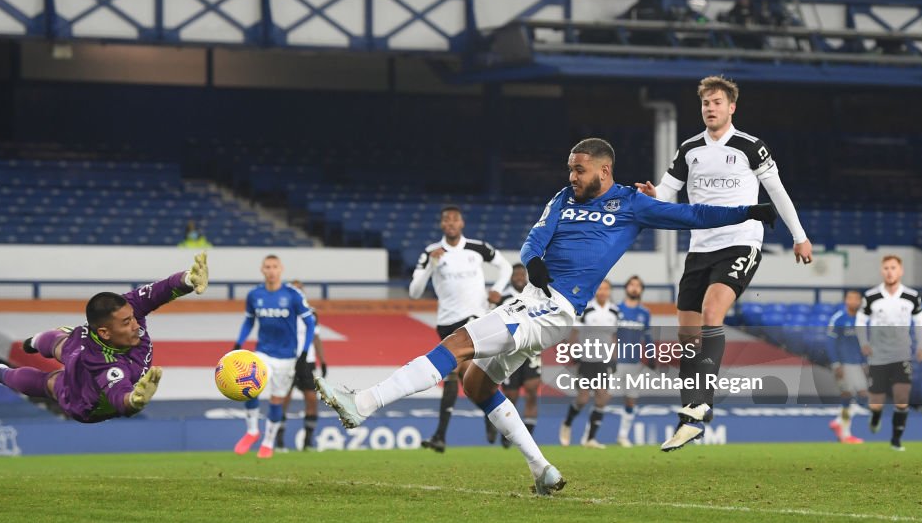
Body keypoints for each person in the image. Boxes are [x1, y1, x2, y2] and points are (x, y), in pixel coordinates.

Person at [316, 137, 778, 494]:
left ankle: (365, 403)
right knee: (477, 382)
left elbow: (693, 215)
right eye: (570, 169)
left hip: (551, 306)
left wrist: (751, 211)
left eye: (580, 170)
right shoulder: (562, 198)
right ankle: (543, 470)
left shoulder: (632, 205)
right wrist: (533, 262)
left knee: (455, 345)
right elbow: (534, 239)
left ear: (604, 169)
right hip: (533, 299)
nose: (572, 176)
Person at [635, 75, 813, 452]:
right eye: (705, 103)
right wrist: (653, 196)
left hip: (741, 242)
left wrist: (799, 235)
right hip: (700, 248)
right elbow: (668, 192)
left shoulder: (751, 147)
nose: (710, 109)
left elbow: (776, 191)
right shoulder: (690, 149)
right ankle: (690, 415)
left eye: (717, 102)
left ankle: (701, 403)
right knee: (686, 335)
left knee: (712, 312)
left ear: (731, 107)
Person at [0, 253, 209, 423]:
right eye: (126, 323)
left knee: (59, 342)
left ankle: (31, 343)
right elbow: (119, 397)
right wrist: (134, 401)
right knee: (49, 382)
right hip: (85, 400)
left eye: (133, 318)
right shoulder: (106, 364)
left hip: (79, 342)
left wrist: (188, 279)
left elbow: (159, 291)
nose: (136, 324)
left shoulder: (127, 307)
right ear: (105, 332)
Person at [409, 205, 513, 453]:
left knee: (455, 374)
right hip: (446, 322)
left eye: (455, 219)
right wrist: (432, 266)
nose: (451, 223)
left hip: (474, 319)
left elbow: (506, 267)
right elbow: (414, 292)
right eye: (446, 220)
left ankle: (440, 437)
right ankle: (492, 418)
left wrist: (497, 288)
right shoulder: (431, 253)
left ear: (462, 223)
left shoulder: (477, 248)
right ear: (442, 225)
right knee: (467, 379)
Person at [232, 255, 316, 459]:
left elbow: (310, 323)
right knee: (249, 387)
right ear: (262, 270)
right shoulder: (254, 295)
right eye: (267, 267)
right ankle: (252, 431)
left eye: (274, 267)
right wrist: (238, 344)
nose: (271, 270)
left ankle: (268, 442)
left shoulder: (293, 294)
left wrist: (304, 354)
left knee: (276, 401)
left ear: (281, 269)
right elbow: (249, 322)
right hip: (263, 353)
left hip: (287, 357)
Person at [856, 255, 922, 451]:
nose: (890, 271)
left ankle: (896, 440)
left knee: (902, 398)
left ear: (900, 270)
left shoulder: (912, 296)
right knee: (877, 402)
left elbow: (920, 322)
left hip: (901, 354)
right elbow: (861, 321)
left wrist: (921, 346)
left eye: (893, 268)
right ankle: (876, 415)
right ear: (882, 271)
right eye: (886, 268)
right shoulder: (871, 296)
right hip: (878, 356)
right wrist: (864, 343)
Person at [560, 279, 619, 449]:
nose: (603, 292)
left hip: (603, 361)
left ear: (610, 291)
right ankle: (567, 422)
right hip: (586, 359)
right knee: (583, 398)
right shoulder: (587, 309)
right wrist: (574, 353)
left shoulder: (614, 311)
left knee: (602, 398)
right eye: (600, 288)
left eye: (606, 289)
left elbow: (613, 337)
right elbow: (574, 333)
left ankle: (590, 438)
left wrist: (614, 358)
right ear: (595, 290)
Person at [274, 279, 328, 452]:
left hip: (307, 362)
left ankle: (308, 442)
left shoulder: (311, 313)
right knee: (283, 400)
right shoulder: (281, 312)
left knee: (312, 400)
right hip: (288, 360)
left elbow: (316, 338)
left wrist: (323, 360)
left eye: (300, 290)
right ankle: (280, 442)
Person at [496, 263, 542, 448]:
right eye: (516, 274)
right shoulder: (504, 298)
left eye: (522, 274)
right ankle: (508, 434)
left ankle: (528, 436)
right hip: (510, 351)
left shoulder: (535, 296)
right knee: (511, 396)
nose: (519, 277)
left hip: (531, 350)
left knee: (532, 390)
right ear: (511, 278)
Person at [614, 275, 654, 447]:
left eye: (638, 285)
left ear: (641, 290)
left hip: (634, 363)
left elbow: (648, 337)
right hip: (615, 363)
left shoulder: (644, 313)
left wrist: (651, 356)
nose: (634, 288)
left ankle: (623, 436)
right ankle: (589, 436)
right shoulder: (615, 310)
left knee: (631, 399)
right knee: (602, 397)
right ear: (626, 288)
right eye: (632, 285)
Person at [826, 290, 868, 444]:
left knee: (854, 397)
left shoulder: (861, 320)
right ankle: (845, 433)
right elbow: (830, 342)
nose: (854, 301)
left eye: (857, 298)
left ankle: (840, 424)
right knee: (855, 394)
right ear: (845, 300)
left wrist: (864, 362)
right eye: (851, 298)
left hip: (857, 363)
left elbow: (862, 343)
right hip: (844, 363)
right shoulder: (838, 319)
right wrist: (836, 363)